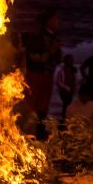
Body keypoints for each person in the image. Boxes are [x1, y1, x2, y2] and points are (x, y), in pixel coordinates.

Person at [23, 11, 61, 139]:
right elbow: (33, 57)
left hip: (47, 77)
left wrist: (55, 54)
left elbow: (57, 58)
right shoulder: (37, 37)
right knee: (32, 106)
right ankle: (28, 135)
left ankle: (39, 133)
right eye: (55, 19)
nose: (58, 22)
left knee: (43, 108)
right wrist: (51, 52)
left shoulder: (54, 38)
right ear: (48, 21)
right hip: (35, 75)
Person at [55, 54, 77, 120]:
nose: (71, 61)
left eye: (72, 60)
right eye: (70, 60)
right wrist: (67, 88)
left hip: (70, 91)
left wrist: (74, 89)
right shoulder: (62, 70)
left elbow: (74, 81)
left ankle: (65, 119)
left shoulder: (72, 70)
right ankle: (64, 120)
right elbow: (59, 82)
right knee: (66, 105)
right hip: (64, 91)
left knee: (67, 105)